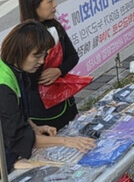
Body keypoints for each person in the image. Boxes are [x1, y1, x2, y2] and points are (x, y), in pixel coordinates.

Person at [1, 20, 95, 171]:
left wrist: (35, 127)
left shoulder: (16, 68)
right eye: (36, 56)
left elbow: (18, 113)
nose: (41, 61)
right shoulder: (4, 87)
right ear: (19, 51)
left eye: (44, 55)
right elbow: (18, 135)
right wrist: (66, 141)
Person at [18, 0, 79, 130]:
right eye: (50, 1)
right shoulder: (25, 37)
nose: (55, 5)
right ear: (34, 4)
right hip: (43, 112)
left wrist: (59, 70)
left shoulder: (55, 26)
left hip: (66, 101)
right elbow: (26, 79)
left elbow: (73, 56)